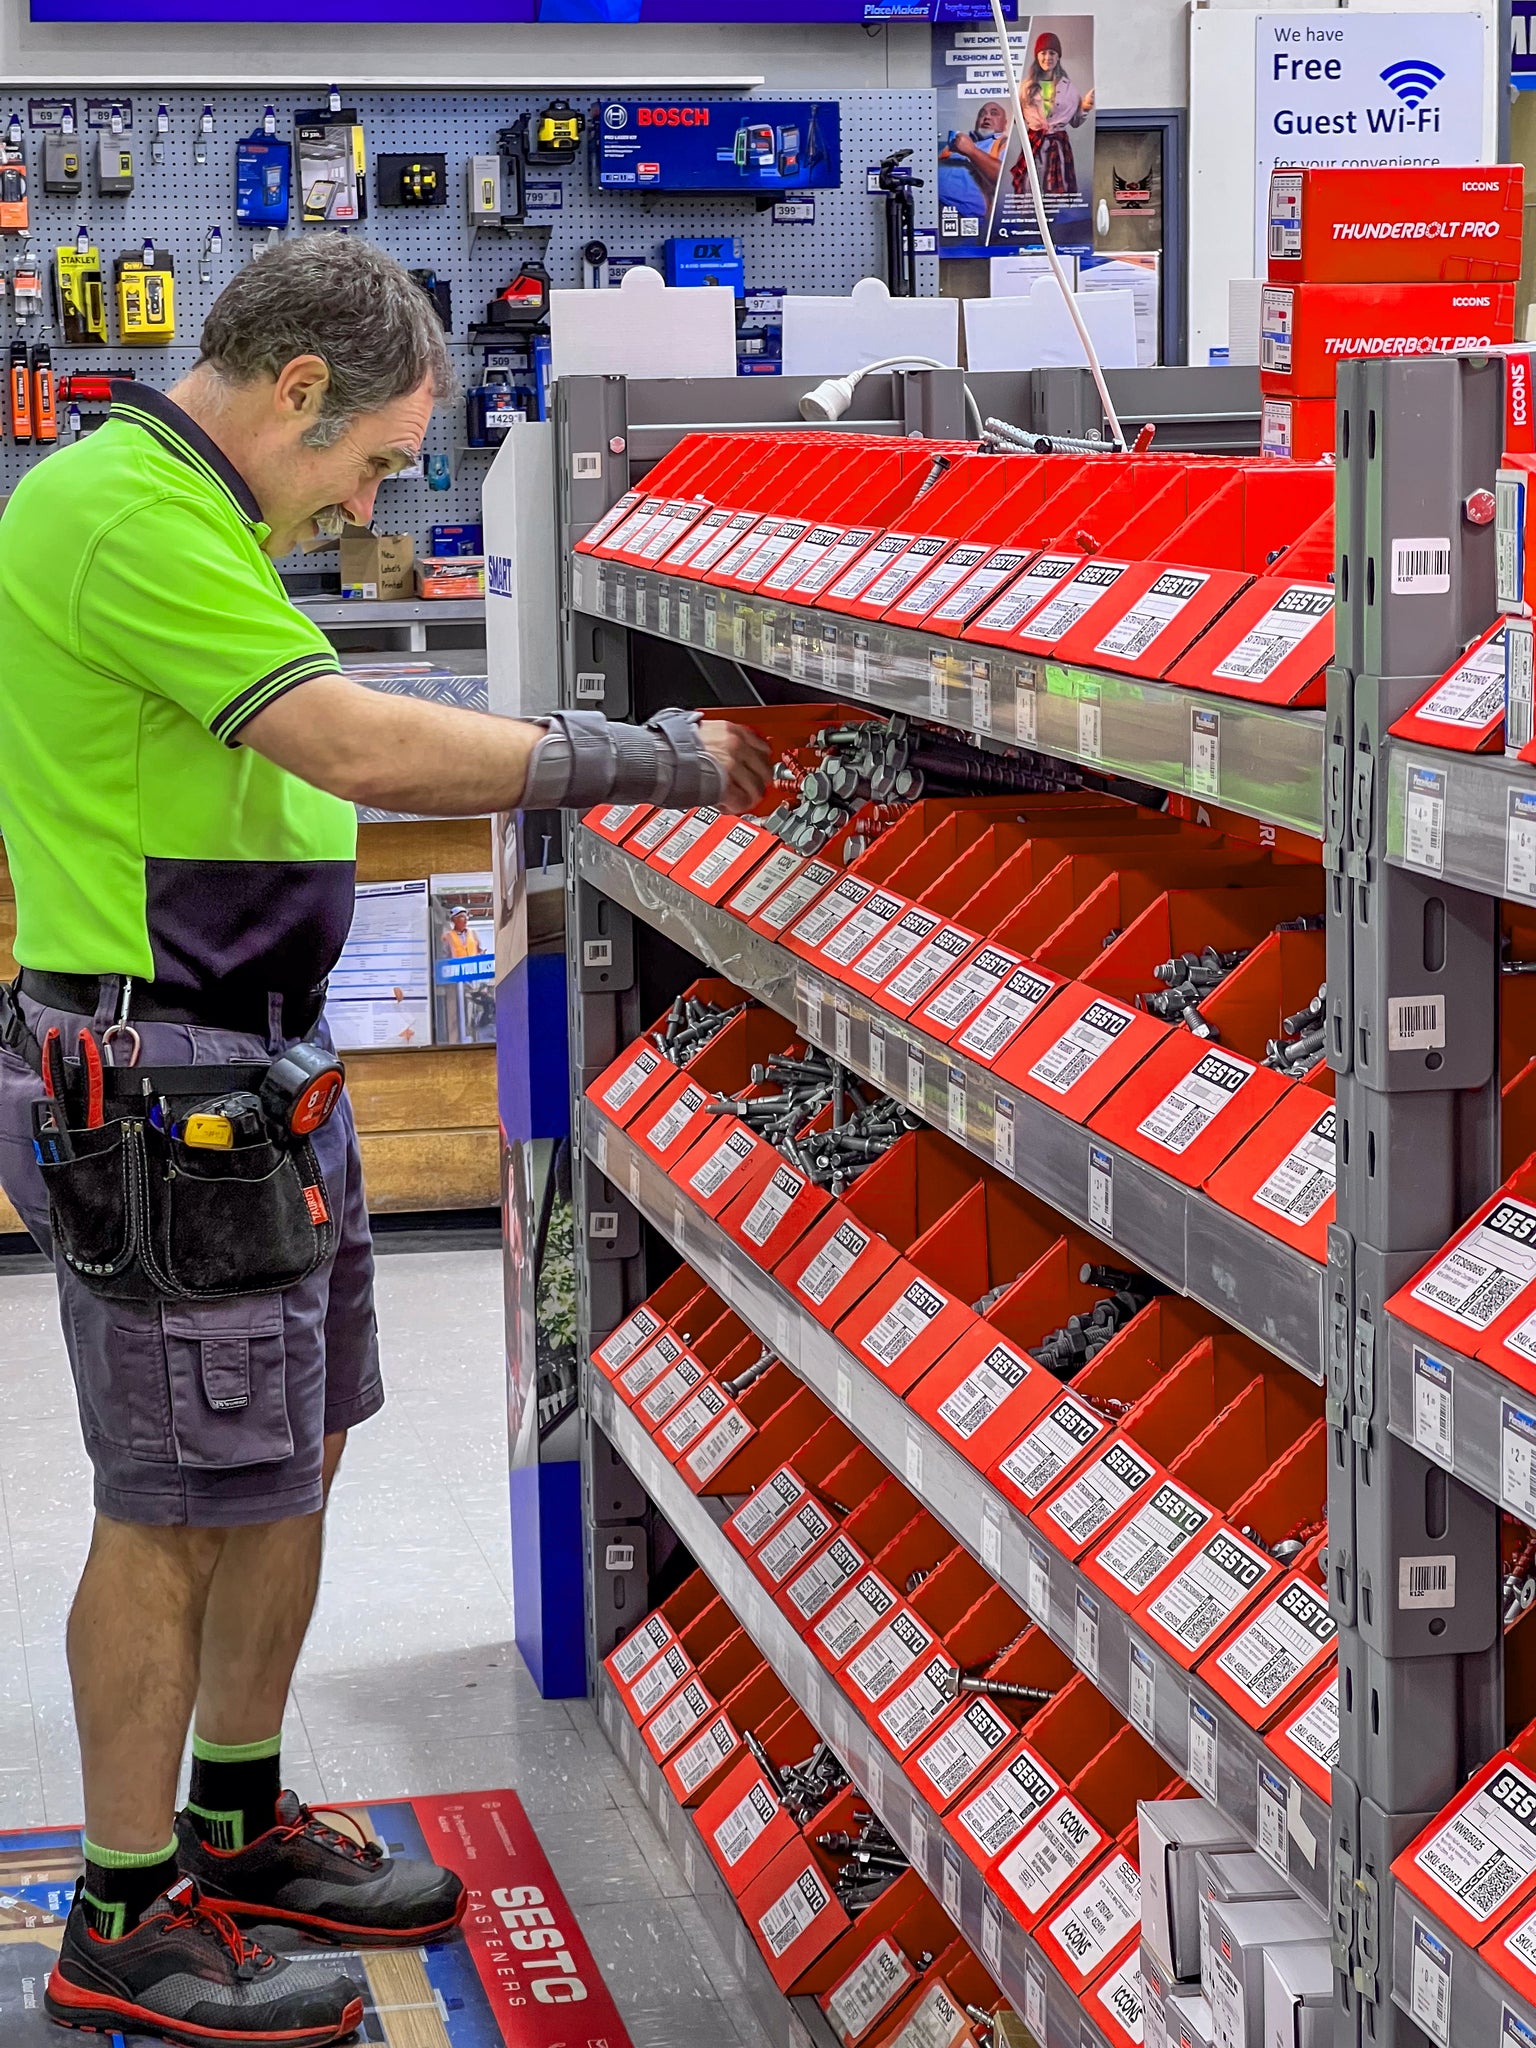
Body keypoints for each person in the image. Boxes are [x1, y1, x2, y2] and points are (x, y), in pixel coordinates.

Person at [0, 233, 768, 2048]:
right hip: (162, 1100)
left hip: (254, 1078)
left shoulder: (194, 513)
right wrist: (636, 756)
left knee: (292, 1455)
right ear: (291, 395)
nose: (380, 494)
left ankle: (238, 1821)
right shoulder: (124, 511)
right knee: (173, 1507)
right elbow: (350, 740)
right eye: (377, 456)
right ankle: (120, 1917)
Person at [1009, 30, 1094, 205]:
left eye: (1052, 53)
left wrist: (1085, 105)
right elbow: (1016, 120)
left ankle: (1056, 227)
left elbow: (1076, 122)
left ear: (1058, 57)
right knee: (1029, 190)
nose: (1048, 57)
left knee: (1057, 194)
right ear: (1037, 56)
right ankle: (1030, 226)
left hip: (1059, 148)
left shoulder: (1069, 88)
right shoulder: (1025, 87)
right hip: (1034, 144)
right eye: (1043, 53)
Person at [936, 98, 1011, 229]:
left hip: (967, 223)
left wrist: (971, 151)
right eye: (982, 114)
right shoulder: (957, 142)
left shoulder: (1005, 144)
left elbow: (1006, 181)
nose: (986, 117)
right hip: (935, 211)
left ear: (1004, 123)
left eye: (994, 113)